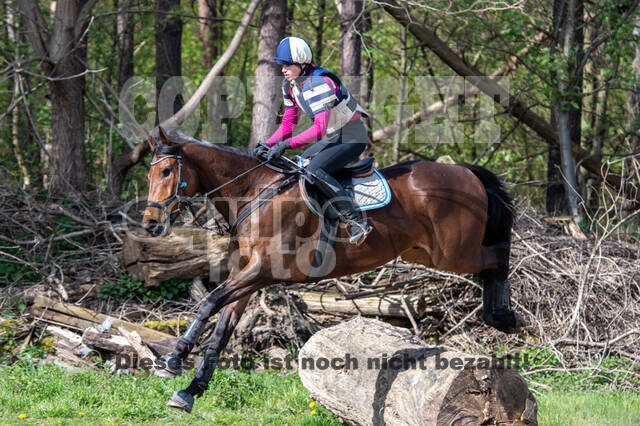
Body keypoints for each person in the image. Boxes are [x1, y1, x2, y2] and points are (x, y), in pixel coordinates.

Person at [256, 36, 372, 245]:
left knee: (313, 171)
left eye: (287, 64)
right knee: (298, 165)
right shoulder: (290, 85)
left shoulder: (318, 82)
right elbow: (288, 125)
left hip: (353, 135)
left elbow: (319, 129)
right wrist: (269, 143)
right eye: (281, 65)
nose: (283, 69)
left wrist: (285, 145)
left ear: (302, 63)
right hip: (335, 135)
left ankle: (357, 221)